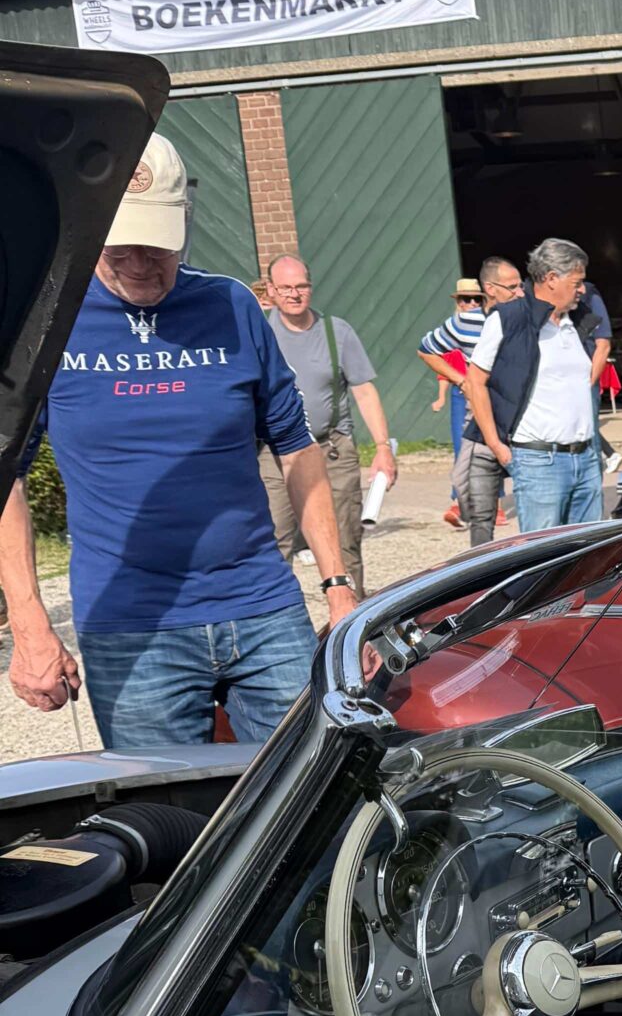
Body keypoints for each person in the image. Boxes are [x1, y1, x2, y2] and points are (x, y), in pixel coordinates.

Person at [0, 134, 356, 750]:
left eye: (158, 245)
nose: (142, 263)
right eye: (123, 247)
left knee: (316, 786)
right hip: (132, 627)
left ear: (184, 224)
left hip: (263, 607)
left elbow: (296, 448)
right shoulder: (50, 320)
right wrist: (30, 623)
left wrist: (339, 587)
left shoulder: (232, 306)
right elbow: (8, 474)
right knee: (164, 804)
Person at [258, 255, 394, 595]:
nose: (294, 294)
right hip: (274, 454)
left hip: (331, 448)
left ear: (311, 287)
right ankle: (280, 619)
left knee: (346, 539)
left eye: (301, 286)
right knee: (274, 541)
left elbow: (364, 391)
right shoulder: (259, 332)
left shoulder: (337, 332)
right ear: (270, 290)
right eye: (285, 287)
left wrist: (382, 449)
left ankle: (352, 616)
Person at [464, 237, 611, 533]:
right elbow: (474, 382)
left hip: (586, 458)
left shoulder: (578, 321)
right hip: (539, 462)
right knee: (544, 554)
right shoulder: (509, 318)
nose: (583, 290)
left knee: (589, 552)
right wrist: (496, 445)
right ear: (552, 278)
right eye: (577, 282)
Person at [420, 259, 519, 534]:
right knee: (468, 455)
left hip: (509, 400)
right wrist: (461, 380)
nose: (471, 303)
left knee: (505, 453)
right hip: (470, 397)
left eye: (475, 299)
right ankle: (469, 508)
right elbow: (426, 350)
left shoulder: (517, 317)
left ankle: (492, 506)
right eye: (466, 299)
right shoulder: (462, 323)